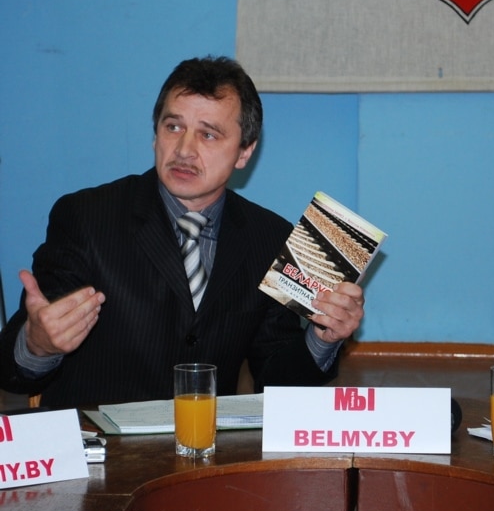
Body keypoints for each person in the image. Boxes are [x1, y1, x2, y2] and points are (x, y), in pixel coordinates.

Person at [0, 56, 365, 407]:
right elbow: (13, 372)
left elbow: (277, 382)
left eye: (208, 135)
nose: (184, 150)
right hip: (99, 442)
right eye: (173, 127)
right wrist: (37, 344)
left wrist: (322, 337)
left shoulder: (269, 237)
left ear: (244, 152)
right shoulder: (86, 217)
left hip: (206, 445)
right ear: (155, 135)